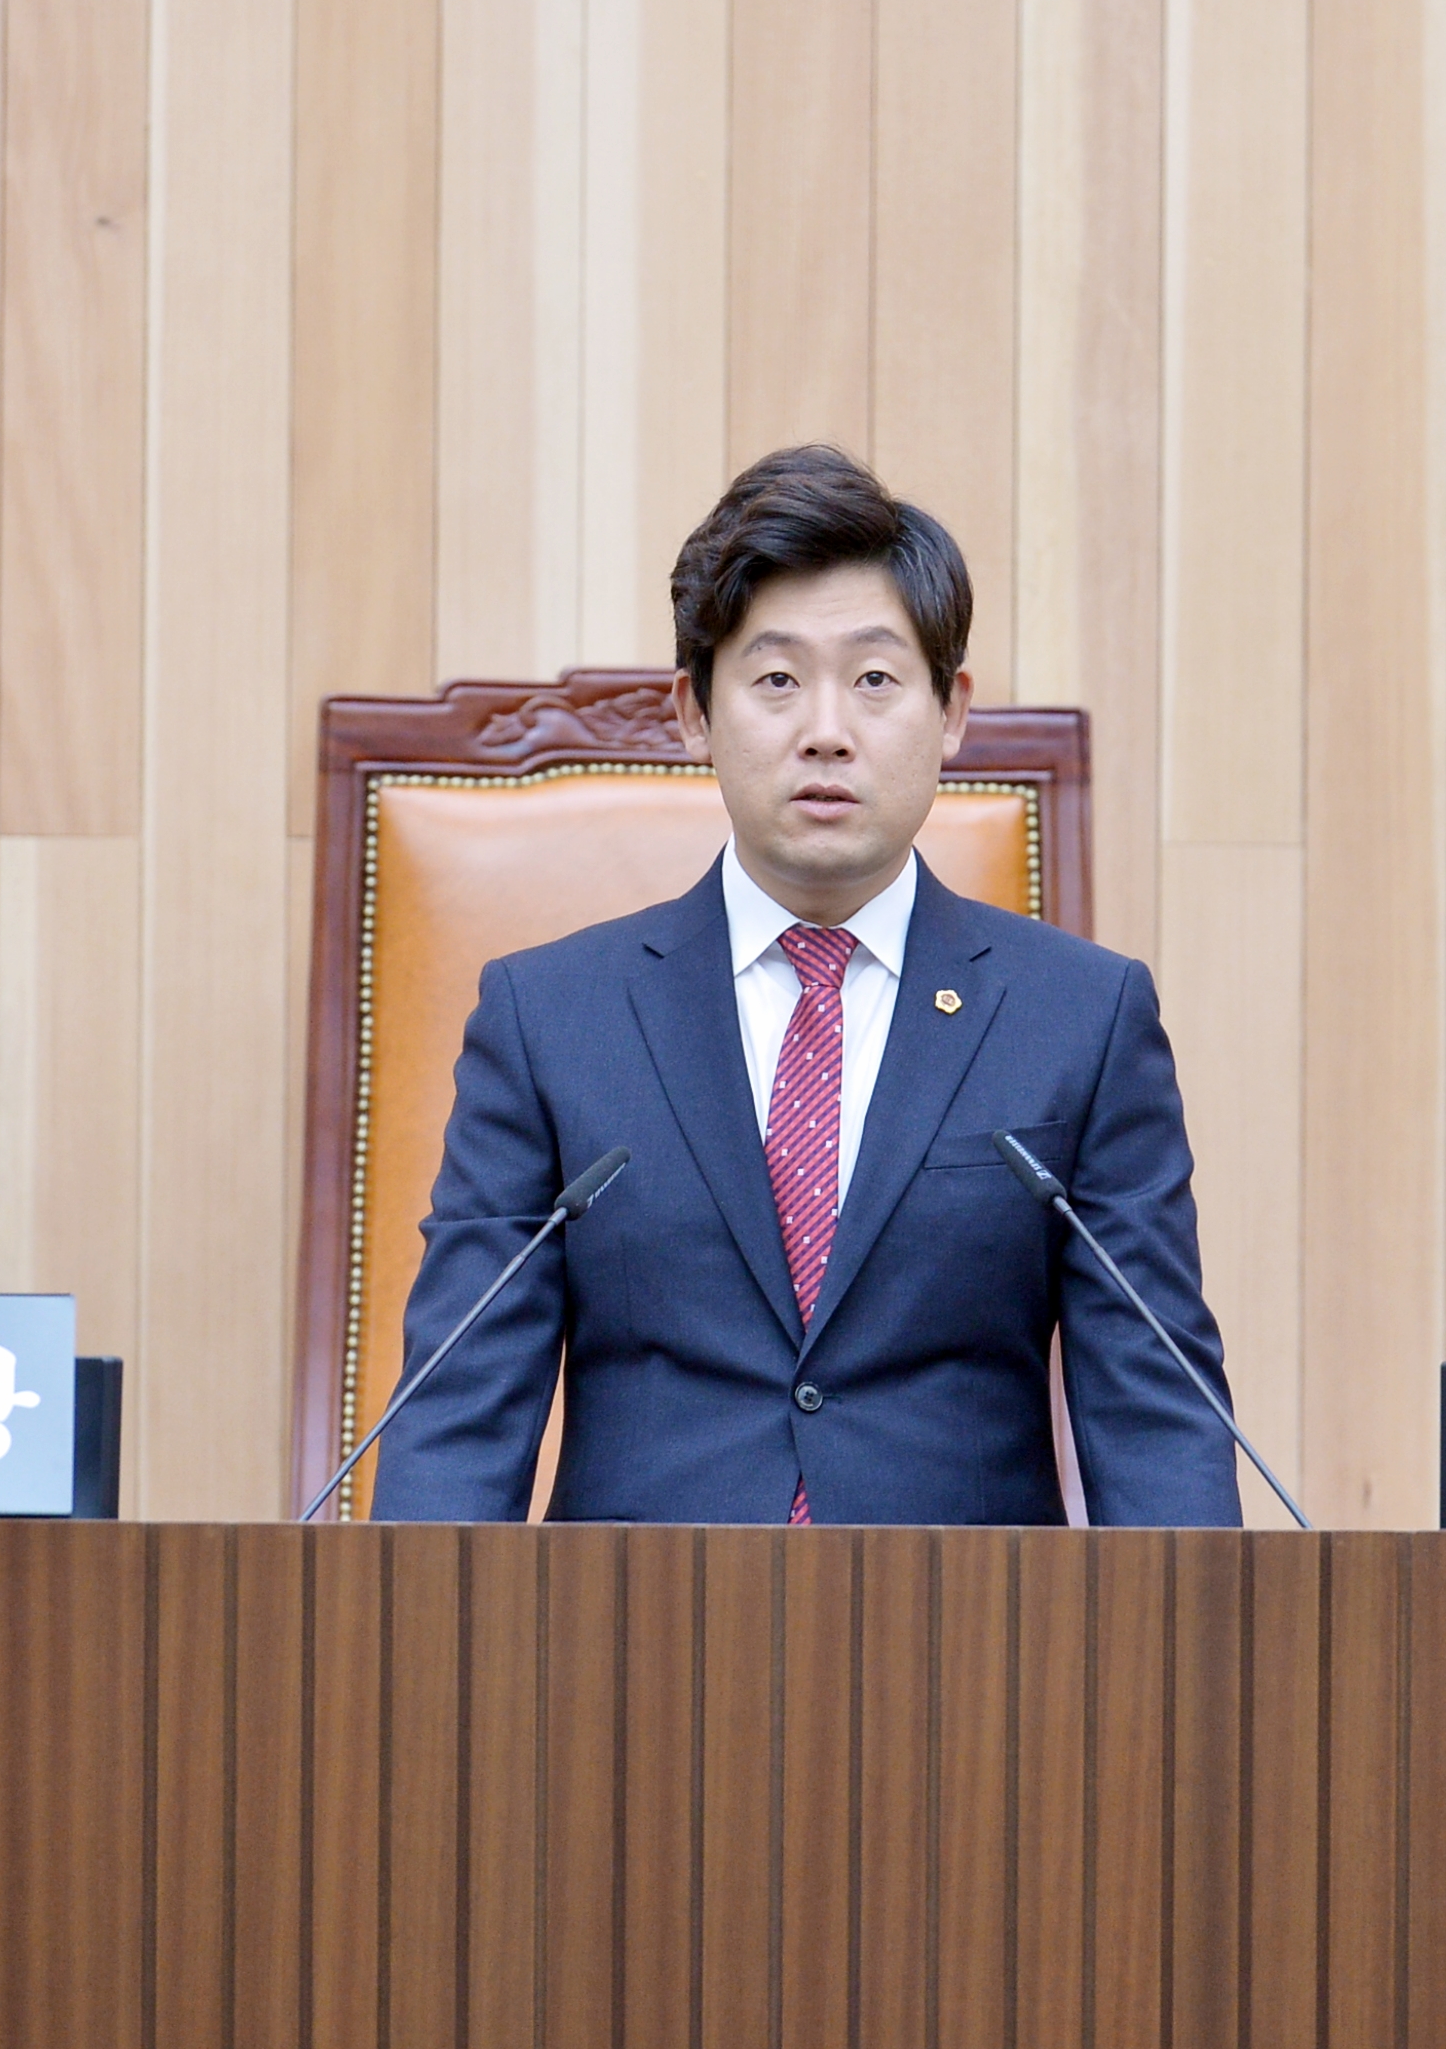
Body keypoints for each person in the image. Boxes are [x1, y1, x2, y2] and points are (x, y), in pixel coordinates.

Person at [367, 444, 1242, 1526]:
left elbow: (1156, 1415)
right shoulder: (550, 1020)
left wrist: (1191, 1633)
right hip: (635, 1623)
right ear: (694, 711)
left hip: (971, 1624)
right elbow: (457, 1412)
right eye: (776, 680)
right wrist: (415, 1628)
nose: (826, 732)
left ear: (951, 711)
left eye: (875, 680)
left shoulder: (1081, 1020)